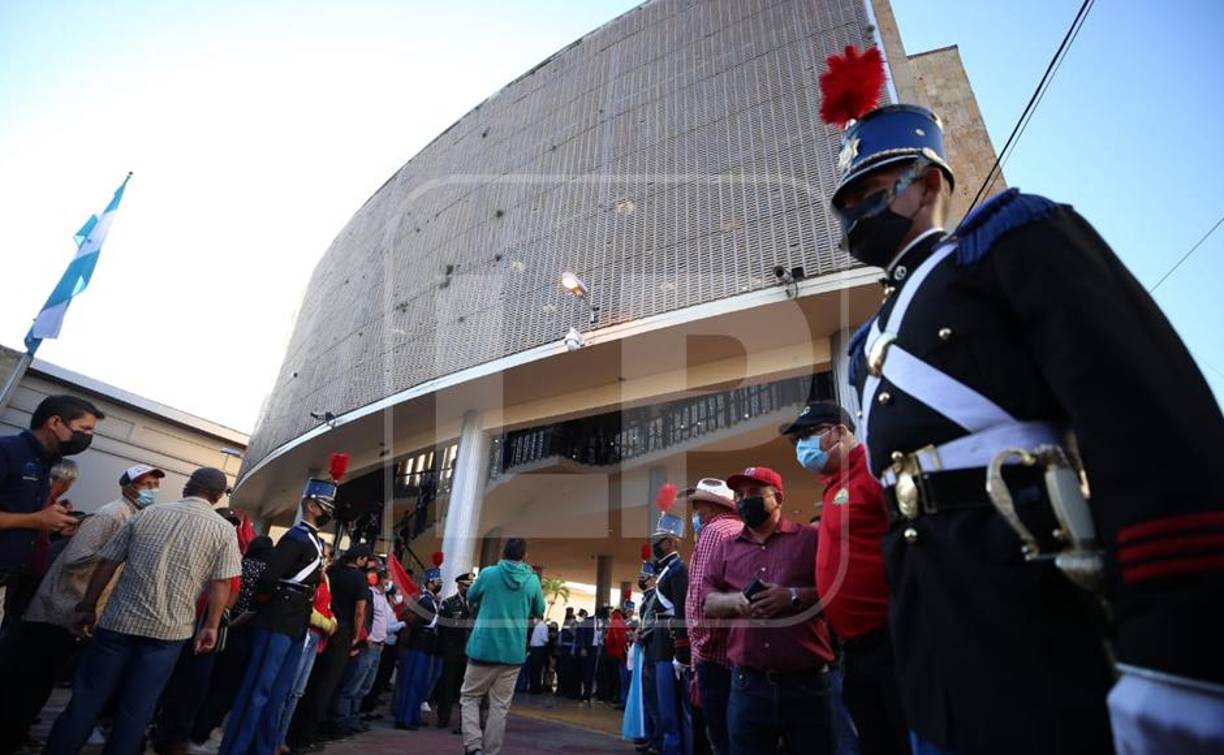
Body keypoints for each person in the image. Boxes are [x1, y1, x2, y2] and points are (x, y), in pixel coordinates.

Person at [822, 44, 1224, 753]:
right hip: (930, 639)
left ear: (927, 180)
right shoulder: (866, 345)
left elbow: (1142, 415)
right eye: (846, 200)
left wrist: (1173, 643)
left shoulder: (1005, 243)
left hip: (1029, 614)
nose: (857, 210)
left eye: (874, 186)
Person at [43, 466, 242, 755]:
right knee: (137, 709)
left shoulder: (147, 514)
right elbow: (222, 583)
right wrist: (211, 625)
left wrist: (87, 606)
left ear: (187, 488)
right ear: (216, 497)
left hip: (118, 623)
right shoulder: (224, 530)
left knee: (86, 699)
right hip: (168, 633)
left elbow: (107, 563)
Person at [0, 463, 164, 753]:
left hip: (72, 612)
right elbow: (76, 558)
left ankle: (17, 733)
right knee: (30, 681)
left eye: (154, 485)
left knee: (40, 682)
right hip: (59, 609)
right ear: (126, 486)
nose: (151, 490)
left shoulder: (129, 516)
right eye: (144, 484)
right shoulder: (111, 515)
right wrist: (113, 556)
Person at [784, 401, 908, 755]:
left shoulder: (872, 470)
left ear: (839, 431)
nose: (801, 448)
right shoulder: (834, 484)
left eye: (808, 435)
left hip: (891, 641)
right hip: (855, 648)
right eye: (796, 442)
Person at [701, 466, 833, 755]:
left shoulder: (810, 540)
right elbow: (707, 600)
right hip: (748, 686)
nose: (744, 500)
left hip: (807, 687)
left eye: (754, 493)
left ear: (778, 498)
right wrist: (736, 602)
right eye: (739, 495)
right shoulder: (725, 548)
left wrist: (794, 597)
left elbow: (836, 593)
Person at [219, 478, 336, 755]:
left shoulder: (314, 541)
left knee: (279, 691)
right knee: (260, 688)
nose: (328, 511)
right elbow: (269, 577)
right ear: (310, 505)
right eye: (324, 505)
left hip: (296, 620)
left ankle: (263, 746)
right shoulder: (296, 537)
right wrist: (264, 606)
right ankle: (237, 747)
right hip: (279, 617)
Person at [0, 395, 100, 621]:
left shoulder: (45, 463)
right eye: (84, 429)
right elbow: (31, 518)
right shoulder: (7, 451)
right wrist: (36, 521)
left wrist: (54, 525)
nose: (88, 437)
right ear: (55, 422)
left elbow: (23, 516)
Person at [460, 537, 546, 755]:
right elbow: (539, 609)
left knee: (470, 697)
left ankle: (473, 746)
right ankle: (491, 752)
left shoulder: (489, 574)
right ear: (524, 556)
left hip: (483, 648)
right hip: (512, 652)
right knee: (499, 706)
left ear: (503, 553)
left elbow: (470, 595)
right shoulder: (532, 581)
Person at [190, 535, 275, 748]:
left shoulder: (239, 564)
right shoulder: (267, 572)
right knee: (227, 687)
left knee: (209, 679)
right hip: (244, 634)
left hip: (218, 625)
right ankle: (203, 732)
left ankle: (191, 725)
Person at [285, 543, 370, 752]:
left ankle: (289, 732)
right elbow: (360, 611)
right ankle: (305, 738)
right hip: (341, 634)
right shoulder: (359, 578)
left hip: (322, 628)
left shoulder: (332, 571)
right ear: (361, 559)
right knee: (326, 688)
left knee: (307, 683)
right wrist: (356, 636)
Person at [681, 478, 741, 755]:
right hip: (736, 651)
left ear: (710, 505)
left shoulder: (713, 532)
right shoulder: (739, 528)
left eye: (697, 505)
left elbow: (701, 596)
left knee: (717, 734)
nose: (695, 512)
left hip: (713, 654)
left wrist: (700, 649)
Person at [334, 557, 397, 737]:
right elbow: (364, 616)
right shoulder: (370, 594)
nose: (389, 582)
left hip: (378, 646)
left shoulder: (383, 597)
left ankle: (354, 719)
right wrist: (365, 636)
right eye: (387, 578)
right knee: (353, 684)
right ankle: (341, 721)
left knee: (365, 687)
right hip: (368, 644)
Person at [650, 506, 691, 755]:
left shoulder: (678, 570)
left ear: (671, 542)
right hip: (660, 643)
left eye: (659, 541)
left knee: (674, 713)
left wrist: (681, 654)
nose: (655, 545)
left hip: (670, 647)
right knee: (665, 712)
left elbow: (681, 614)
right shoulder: (666, 569)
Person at [394, 553, 445, 730]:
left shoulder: (432, 600)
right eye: (437, 581)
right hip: (419, 643)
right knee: (412, 682)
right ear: (430, 582)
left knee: (420, 682)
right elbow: (415, 620)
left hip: (426, 645)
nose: (440, 584)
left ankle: (413, 715)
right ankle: (405, 718)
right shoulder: (424, 600)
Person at [435, 571, 474, 732]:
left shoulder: (476, 605)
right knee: (448, 687)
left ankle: (464, 723)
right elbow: (442, 628)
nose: (468, 589)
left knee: (467, 690)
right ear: (459, 585)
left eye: (471, 586)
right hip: (452, 651)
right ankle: (443, 718)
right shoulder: (449, 603)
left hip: (470, 653)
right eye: (466, 586)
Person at [527, 615, 550, 694]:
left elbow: (544, 639)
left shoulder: (543, 626)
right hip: (535, 649)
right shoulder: (538, 626)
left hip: (539, 649)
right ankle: (533, 687)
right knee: (534, 669)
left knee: (537, 669)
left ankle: (536, 688)